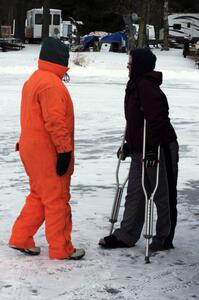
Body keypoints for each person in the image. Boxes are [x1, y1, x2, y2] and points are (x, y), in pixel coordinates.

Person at [9, 37, 85, 260]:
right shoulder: (51, 84)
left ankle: (21, 237)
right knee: (57, 199)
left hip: (30, 149)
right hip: (47, 152)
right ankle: (62, 248)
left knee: (40, 196)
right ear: (60, 59)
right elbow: (55, 122)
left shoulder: (35, 79)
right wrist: (64, 151)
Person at [99, 48, 179, 251]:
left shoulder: (147, 87)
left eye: (131, 61)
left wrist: (150, 150)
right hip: (140, 148)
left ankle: (163, 237)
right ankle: (126, 235)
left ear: (140, 65)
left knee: (162, 192)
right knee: (135, 191)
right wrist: (129, 146)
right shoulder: (135, 85)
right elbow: (136, 122)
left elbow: (157, 121)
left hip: (158, 147)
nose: (128, 64)